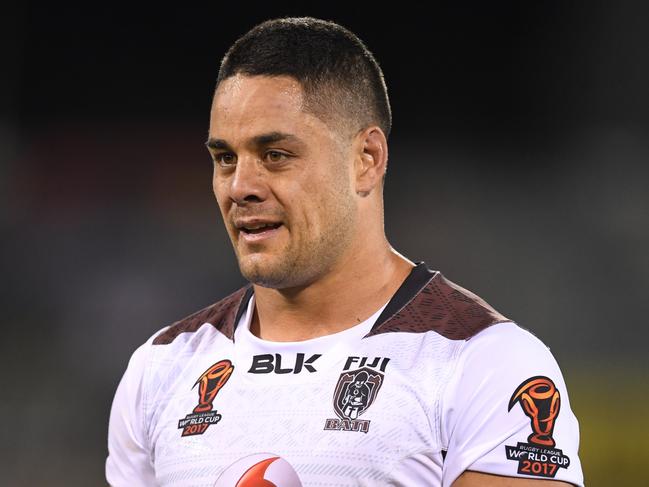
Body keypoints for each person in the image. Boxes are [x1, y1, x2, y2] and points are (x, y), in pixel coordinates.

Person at [106, 16, 584, 487]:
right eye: (225, 158)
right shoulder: (161, 368)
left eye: (276, 155)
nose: (241, 187)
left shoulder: (483, 362)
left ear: (367, 160)